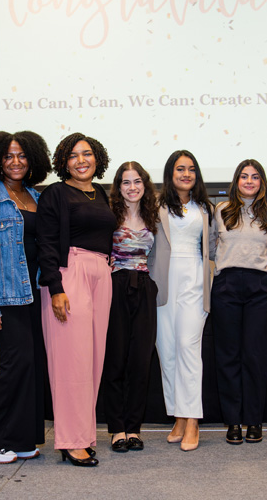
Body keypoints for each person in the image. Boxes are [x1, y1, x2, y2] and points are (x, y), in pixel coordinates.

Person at [0, 131, 52, 464]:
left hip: (32, 295)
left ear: (33, 159)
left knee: (30, 367)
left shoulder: (35, 197)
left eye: (21, 155)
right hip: (3, 297)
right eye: (7, 156)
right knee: (13, 366)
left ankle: (20, 438)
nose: (15, 162)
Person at [37, 133, 116, 467]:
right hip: (69, 274)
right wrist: (55, 287)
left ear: (97, 158)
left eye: (87, 154)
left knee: (93, 359)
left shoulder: (101, 193)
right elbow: (46, 242)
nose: (81, 160)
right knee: (71, 361)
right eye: (73, 155)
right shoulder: (55, 193)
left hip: (101, 274)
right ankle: (70, 440)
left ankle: (83, 433)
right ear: (63, 162)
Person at [148, 150, 214, 452]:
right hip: (163, 282)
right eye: (180, 169)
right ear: (170, 173)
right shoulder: (155, 205)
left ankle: (192, 421)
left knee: (188, 349)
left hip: (194, 282)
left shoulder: (206, 208)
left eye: (191, 169)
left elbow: (213, 247)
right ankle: (177, 414)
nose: (186, 174)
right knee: (168, 352)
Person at [210, 159, 267, 445]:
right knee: (228, 355)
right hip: (226, 285)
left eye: (255, 177)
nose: (249, 181)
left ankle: (253, 419)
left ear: (262, 182)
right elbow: (214, 247)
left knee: (254, 354)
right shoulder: (221, 210)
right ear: (236, 181)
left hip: (259, 286)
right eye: (244, 176)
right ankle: (233, 421)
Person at [100, 161, 159, 453]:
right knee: (115, 359)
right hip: (115, 287)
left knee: (140, 360)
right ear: (118, 186)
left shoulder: (155, 216)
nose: (132, 187)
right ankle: (117, 428)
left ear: (144, 185)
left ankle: (134, 428)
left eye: (137, 181)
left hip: (145, 287)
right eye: (126, 182)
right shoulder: (108, 215)